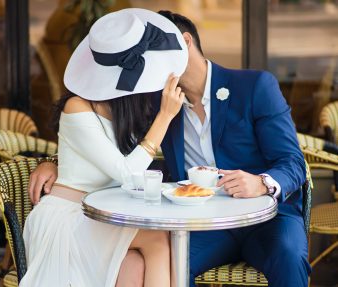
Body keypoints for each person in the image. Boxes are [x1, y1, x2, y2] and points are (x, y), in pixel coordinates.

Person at [30, 10, 311, 287]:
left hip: (266, 219)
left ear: (185, 43)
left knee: (288, 252)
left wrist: (261, 183)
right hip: (198, 223)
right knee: (171, 256)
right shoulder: (156, 103)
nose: (146, 66)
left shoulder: (255, 86)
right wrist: (54, 162)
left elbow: (293, 163)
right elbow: (112, 149)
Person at [20, 8, 188, 287]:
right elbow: (126, 172)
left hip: (103, 216)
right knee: (159, 238)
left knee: (134, 266)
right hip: (68, 219)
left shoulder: (126, 110)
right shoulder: (77, 108)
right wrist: (165, 117)